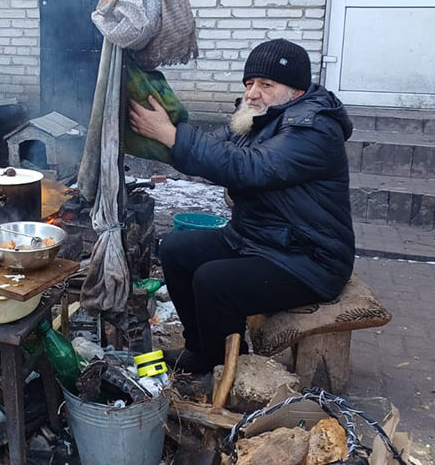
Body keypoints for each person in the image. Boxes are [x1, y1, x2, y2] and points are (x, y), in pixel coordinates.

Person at [128, 39, 355, 373]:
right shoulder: (260, 118)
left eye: (266, 84)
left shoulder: (315, 128)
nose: (252, 93)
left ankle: (226, 369)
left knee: (214, 281)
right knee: (176, 250)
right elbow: (212, 151)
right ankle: (200, 350)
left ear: (295, 91)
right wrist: (164, 129)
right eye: (249, 83)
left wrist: (171, 135)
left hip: (308, 258)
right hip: (258, 240)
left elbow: (250, 167)